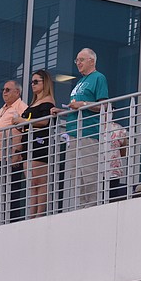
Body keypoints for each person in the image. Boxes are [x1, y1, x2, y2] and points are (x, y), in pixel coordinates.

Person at [52, 48, 109, 210]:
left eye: (81, 60)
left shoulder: (99, 78)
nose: (78, 63)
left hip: (88, 133)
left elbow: (104, 106)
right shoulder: (80, 82)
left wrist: (82, 104)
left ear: (92, 61)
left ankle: (91, 211)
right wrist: (62, 111)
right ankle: (81, 211)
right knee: (77, 177)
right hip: (73, 134)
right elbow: (76, 109)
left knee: (89, 176)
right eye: (76, 60)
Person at [0, 80, 28, 224]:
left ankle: (12, 224)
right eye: (3, 89)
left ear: (17, 92)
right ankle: (0, 223)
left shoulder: (21, 107)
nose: (4, 92)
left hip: (11, 157)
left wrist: (19, 152)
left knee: (11, 193)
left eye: (8, 90)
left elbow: (27, 131)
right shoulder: (1, 109)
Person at [15, 70, 56, 218]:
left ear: (45, 83)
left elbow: (44, 121)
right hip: (28, 143)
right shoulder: (34, 103)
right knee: (32, 183)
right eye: (32, 82)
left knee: (39, 181)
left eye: (36, 81)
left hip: (40, 143)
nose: (33, 85)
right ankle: (32, 215)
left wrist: (23, 121)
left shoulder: (48, 101)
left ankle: (38, 215)